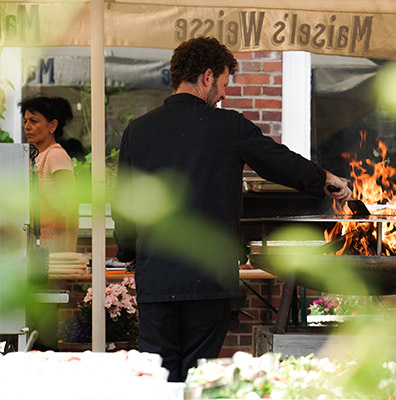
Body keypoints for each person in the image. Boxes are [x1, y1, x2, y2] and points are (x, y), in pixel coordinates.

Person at [112, 36, 352, 383]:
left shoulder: (138, 130)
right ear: (207, 76)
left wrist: (129, 251)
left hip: (157, 277)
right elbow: (278, 162)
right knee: (196, 375)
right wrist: (325, 178)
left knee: (157, 377)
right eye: (224, 83)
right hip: (209, 278)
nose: (223, 94)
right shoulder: (229, 127)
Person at [21, 96, 79, 253]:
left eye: (33, 121)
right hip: (35, 247)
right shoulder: (35, 157)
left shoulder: (56, 156)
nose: (27, 127)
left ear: (52, 125)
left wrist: (69, 253)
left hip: (54, 248)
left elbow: (72, 207)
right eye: (25, 121)